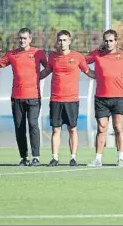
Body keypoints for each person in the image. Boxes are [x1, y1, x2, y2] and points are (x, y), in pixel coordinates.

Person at [40, 30, 93, 167]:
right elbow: (45, 72)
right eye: (60, 40)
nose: (62, 43)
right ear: (57, 42)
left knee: (72, 129)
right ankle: (55, 158)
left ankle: (73, 158)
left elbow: (88, 72)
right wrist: (31, 78)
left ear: (69, 41)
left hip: (71, 100)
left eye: (65, 40)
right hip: (56, 99)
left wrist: (105, 76)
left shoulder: (78, 57)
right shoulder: (52, 57)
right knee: (56, 130)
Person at [85, 29, 123, 167]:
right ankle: (98, 159)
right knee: (102, 128)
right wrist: (89, 72)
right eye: (106, 41)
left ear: (116, 41)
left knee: (118, 128)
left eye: (111, 41)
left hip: (118, 97)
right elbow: (81, 62)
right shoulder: (97, 54)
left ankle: (120, 158)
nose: (108, 43)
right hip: (101, 98)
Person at [0, 28, 47, 166]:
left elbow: (49, 67)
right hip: (16, 97)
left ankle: (36, 157)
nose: (22, 40)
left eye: (25, 38)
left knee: (33, 124)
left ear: (30, 39)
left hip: (34, 97)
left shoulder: (38, 53)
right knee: (19, 127)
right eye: (20, 38)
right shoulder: (12, 54)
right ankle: (24, 157)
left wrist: (38, 78)